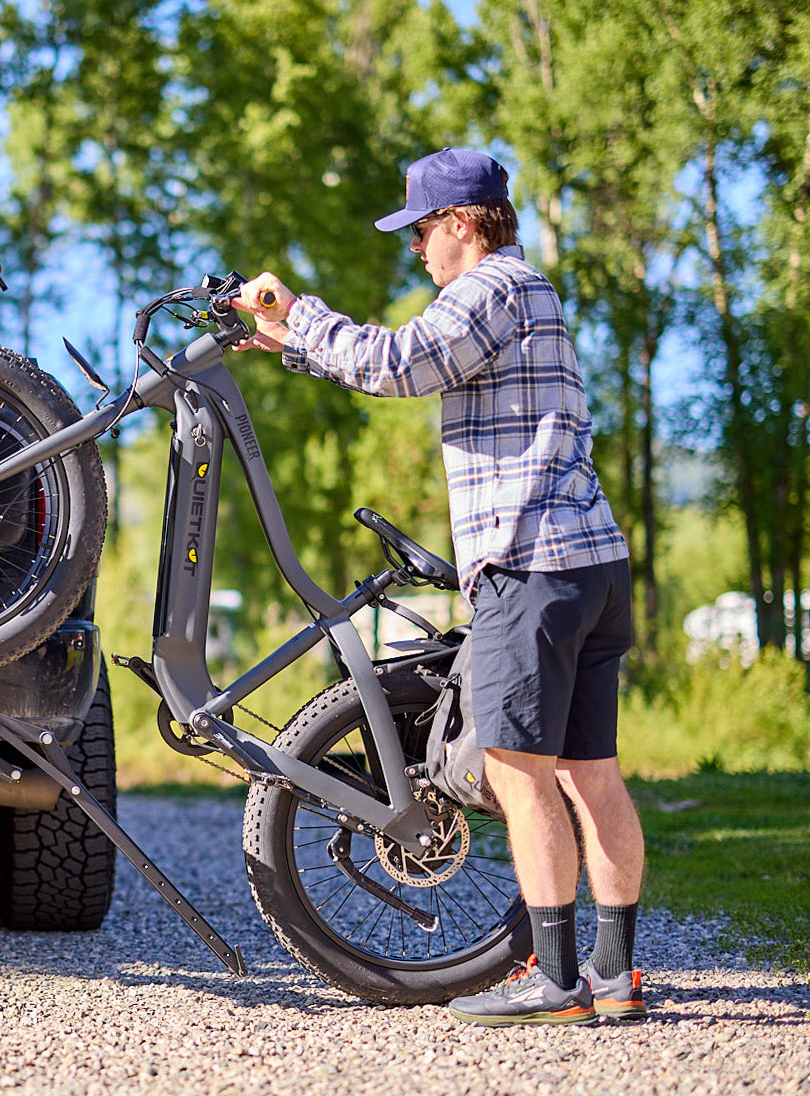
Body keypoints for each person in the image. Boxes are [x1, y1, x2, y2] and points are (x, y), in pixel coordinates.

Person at [232, 148, 647, 1026]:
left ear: (462, 222)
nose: (415, 248)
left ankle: (560, 982)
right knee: (591, 774)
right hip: (588, 564)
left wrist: (297, 311)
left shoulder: (492, 288)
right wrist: (290, 346)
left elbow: (398, 363)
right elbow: (416, 367)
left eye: (420, 229)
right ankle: (613, 977)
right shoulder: (527, 293)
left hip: (530, 565)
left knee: (518, 771)